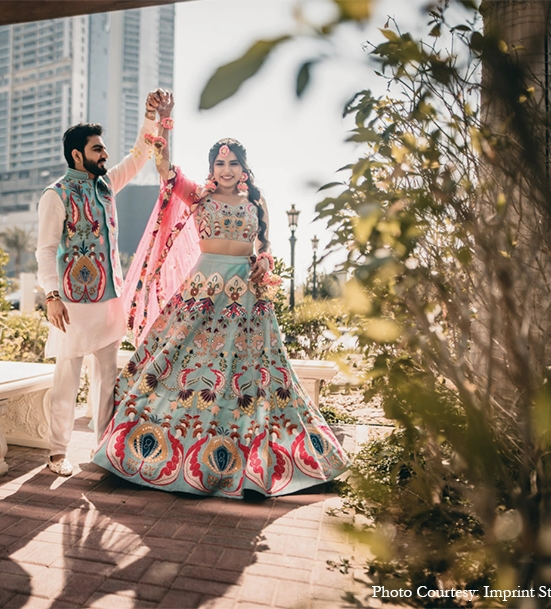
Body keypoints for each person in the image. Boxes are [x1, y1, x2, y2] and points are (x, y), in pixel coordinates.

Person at [91, 92, 350, 497]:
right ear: (211, 167)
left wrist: (264, 261)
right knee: (186, 366)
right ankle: (165, 452)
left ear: (244, 168)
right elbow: (163, 166)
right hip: (203, 291)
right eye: (219, 163)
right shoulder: (200, 195)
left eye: (233, 163)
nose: (226, 170)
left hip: (247, 297)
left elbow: (265, 245)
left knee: (251, 376)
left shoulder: (257, 201)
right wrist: (164, 120)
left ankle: (249, 460)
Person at [35, 90, 168, 476]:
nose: (104, 155)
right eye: (97, 149)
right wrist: (52, 296)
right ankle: (57, 454)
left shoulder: (106, 185)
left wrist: (150, 116)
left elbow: (141, 155)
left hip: (110, 301)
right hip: (72, 305)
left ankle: (102, 450)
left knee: (108, 379)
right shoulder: (55, 195)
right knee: (67, 378)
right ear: (77, 155)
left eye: (104, 149)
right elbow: (45, 250)